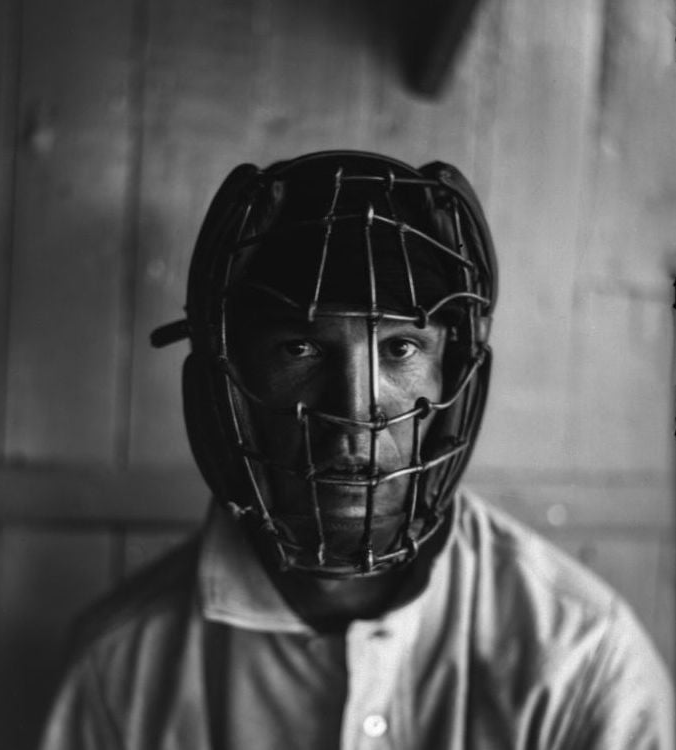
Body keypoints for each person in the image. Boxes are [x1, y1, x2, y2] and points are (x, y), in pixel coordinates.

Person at [40, 151, 674, 749]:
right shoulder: (121, 672)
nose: (353, 413)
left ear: (450, 372)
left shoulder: (580, 658)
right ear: (231, 381)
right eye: (300, 349)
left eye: (400, 349)